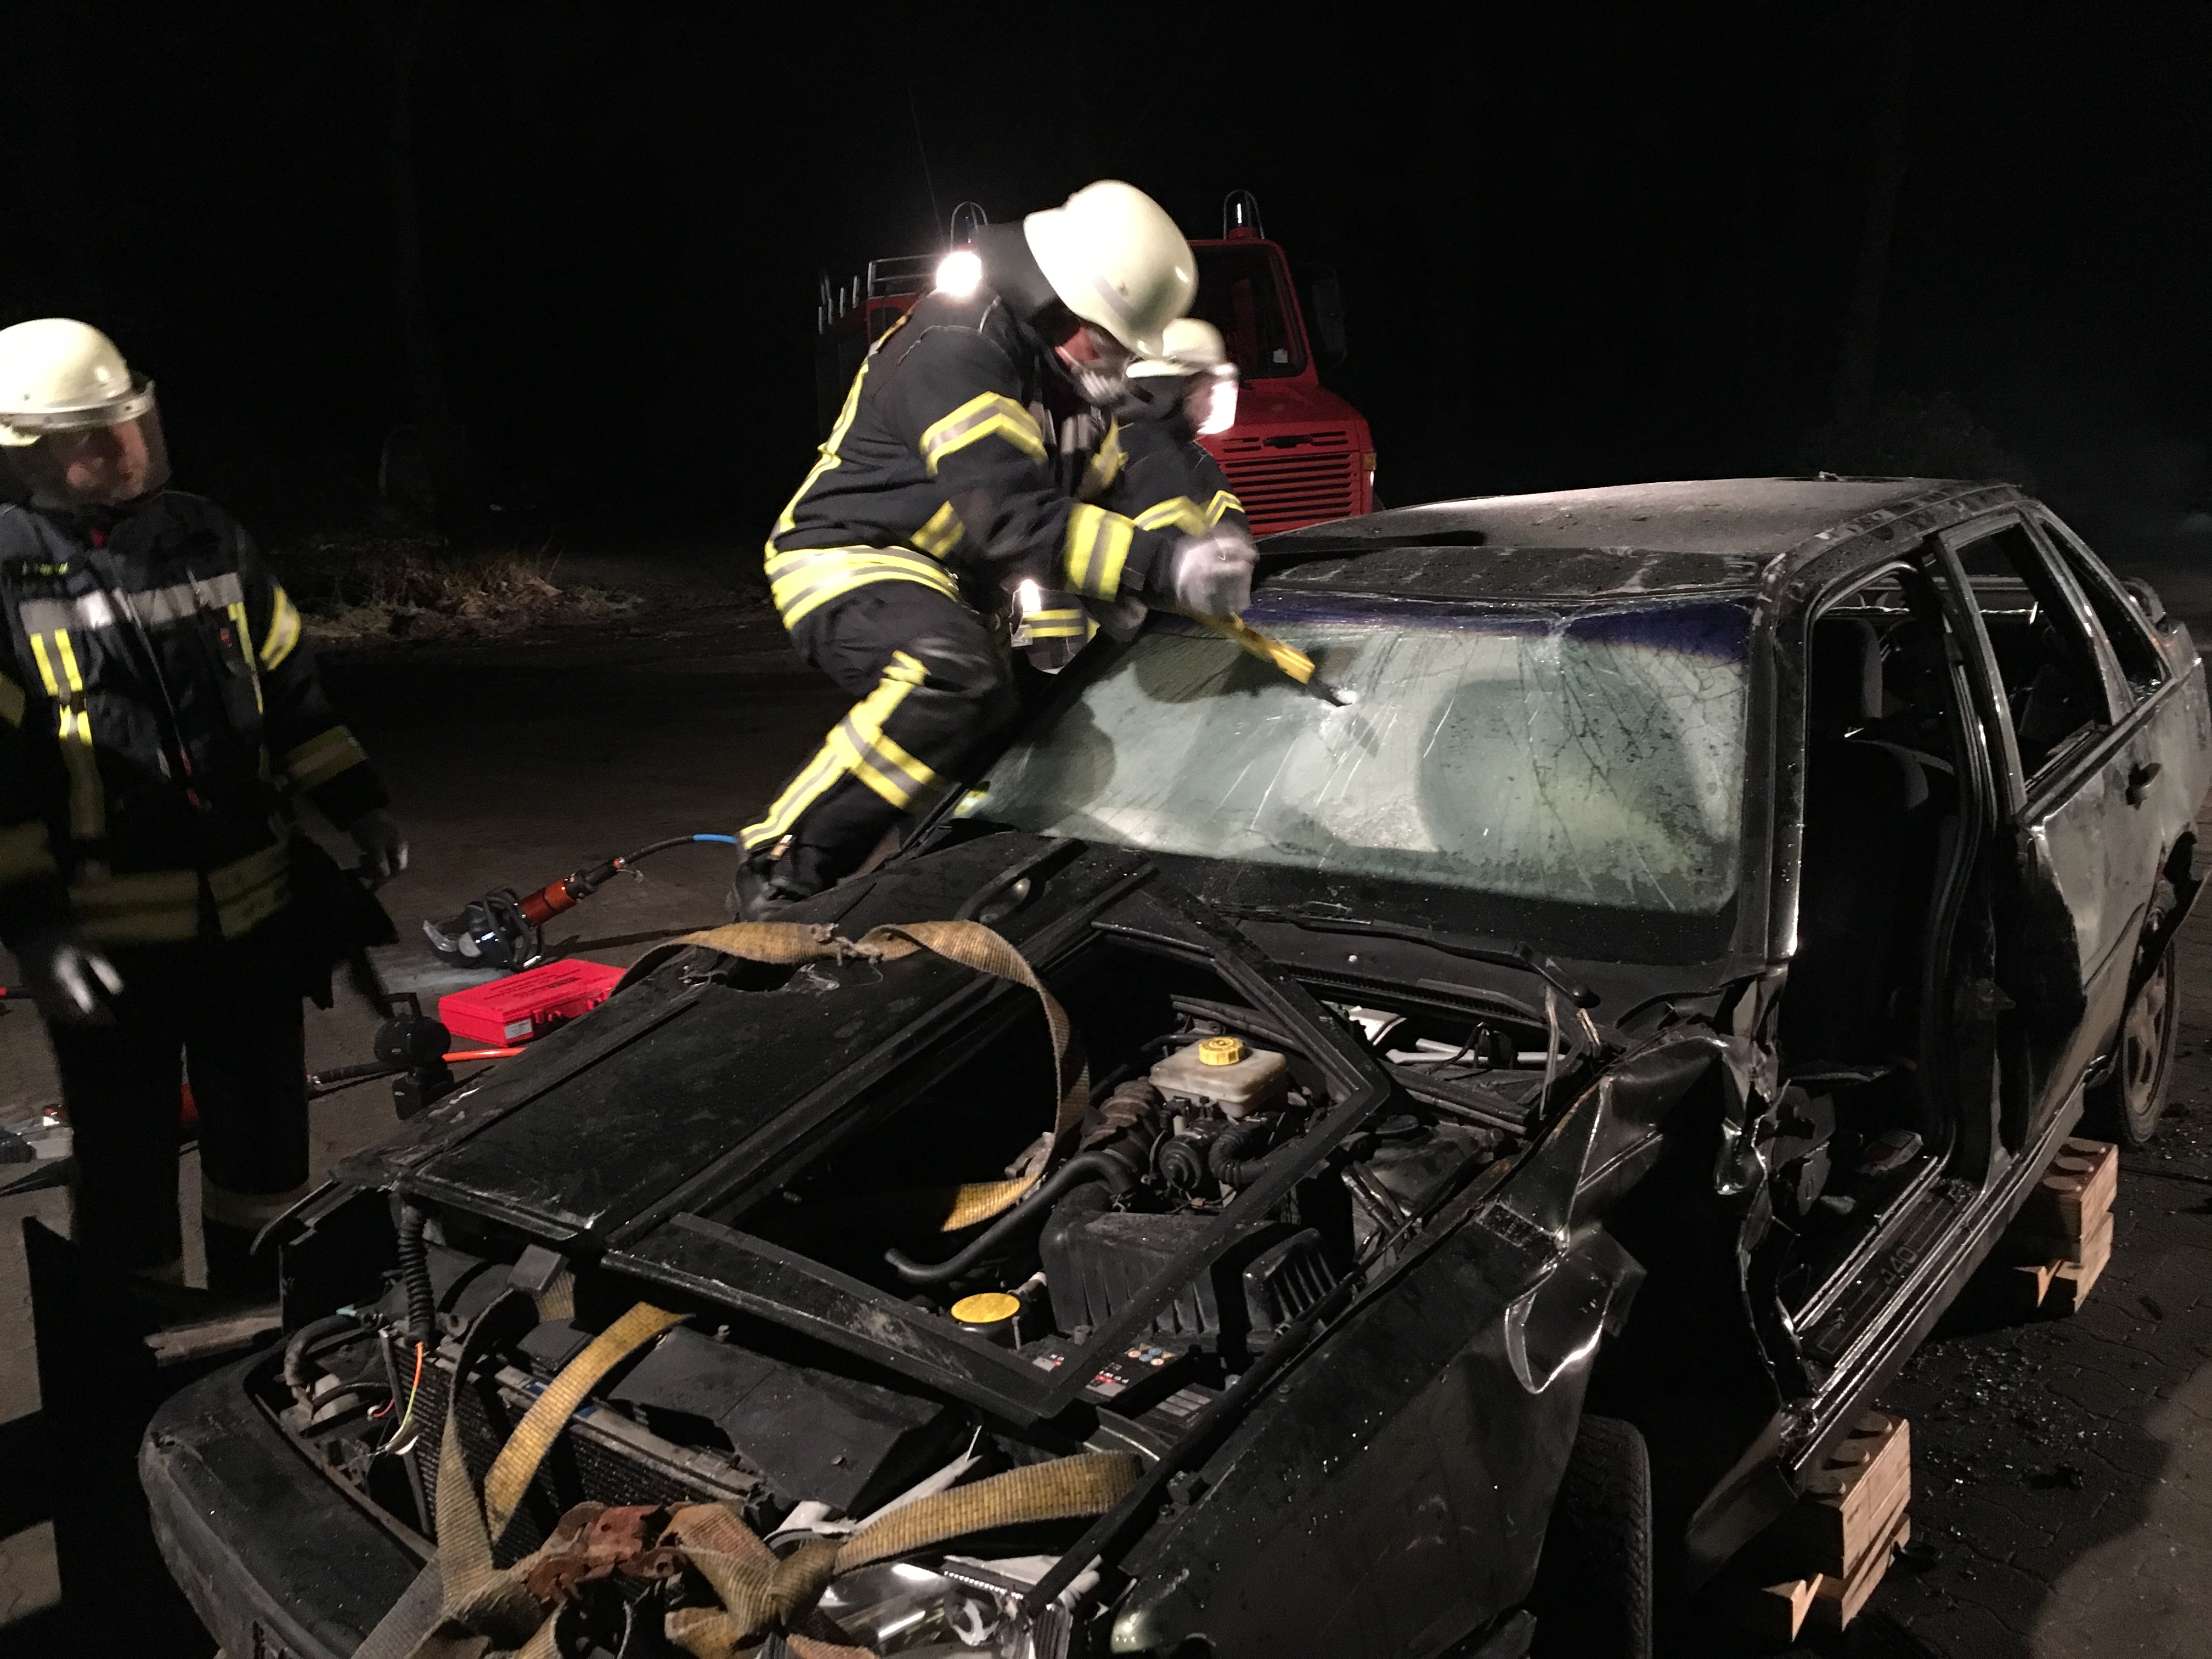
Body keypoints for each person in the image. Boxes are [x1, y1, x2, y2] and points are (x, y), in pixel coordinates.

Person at [0, 317, 407, 1295]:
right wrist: (38, 929)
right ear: (28, 452)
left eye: (129, 423)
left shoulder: (205, 536)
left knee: (267, 1163)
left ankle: (269, 1335)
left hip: (256, 927)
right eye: (92, 435)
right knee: (126, 1176)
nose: (124, 449)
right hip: (114, 949)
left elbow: (289, 693)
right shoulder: (4, 574)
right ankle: (140, 1353)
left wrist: (356, 801)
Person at [735, 182, 1258, 918]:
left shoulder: (1064, 379)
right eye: (1109, 340)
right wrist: (1165, 568)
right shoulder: (956, 345)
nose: (1114, 362)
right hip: (850, 556)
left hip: (951, 586)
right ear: (1061, 304)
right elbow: (1011, 520)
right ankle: (783, 864)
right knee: (949, 676)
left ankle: (948, 877)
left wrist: (1189, 557)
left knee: (1025, 725)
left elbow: (1118, 492)